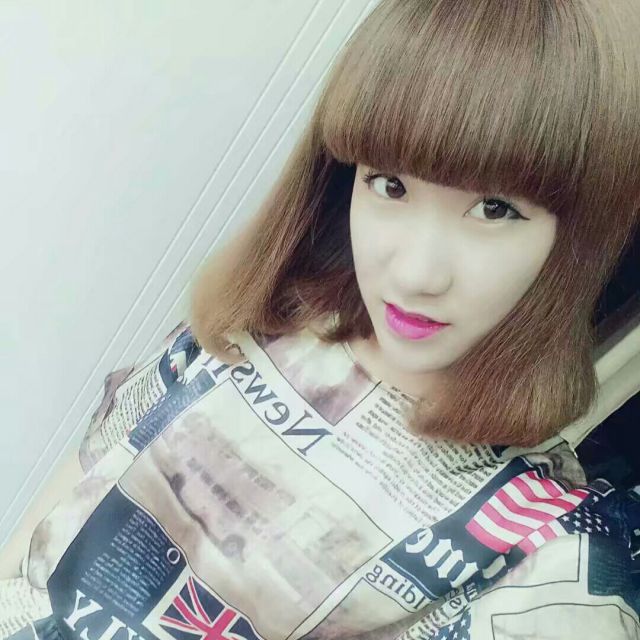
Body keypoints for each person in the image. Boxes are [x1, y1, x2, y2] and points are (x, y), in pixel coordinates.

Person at [2, 1, 640, 638]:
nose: (416, 273)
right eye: (390, 185)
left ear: (578, 239)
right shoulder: (249, 330)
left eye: (495, 209)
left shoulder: (545, 552)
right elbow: (45, 535)